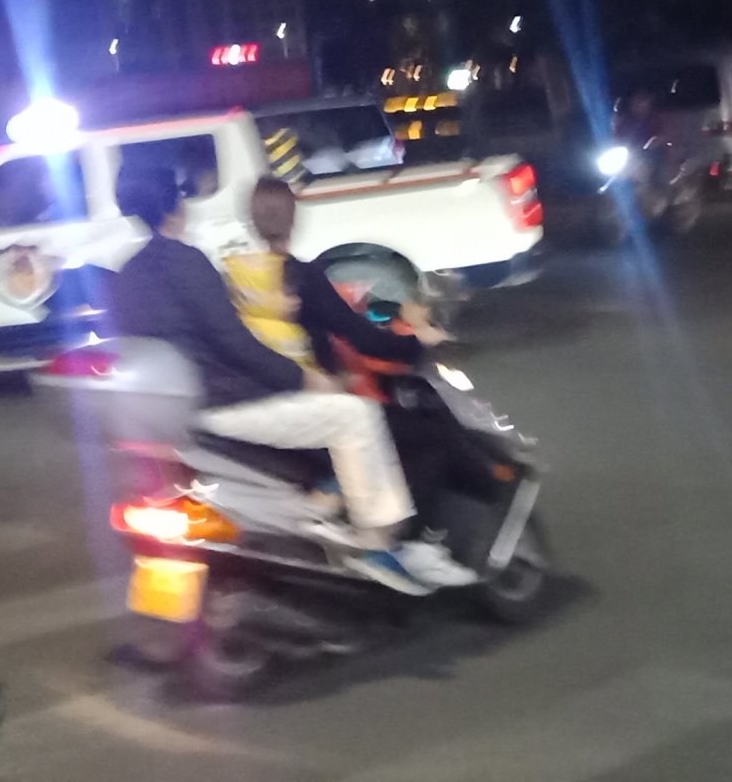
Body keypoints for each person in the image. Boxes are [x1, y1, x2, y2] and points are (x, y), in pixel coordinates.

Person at [106, 161, 474, 592]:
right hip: (223, 403)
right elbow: (234, 344)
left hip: (176, 415)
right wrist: (303, 379)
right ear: (175, 207)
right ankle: (377, 542)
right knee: (355, 416)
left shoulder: (129, 276)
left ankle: (327, 507)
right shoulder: (188, 262)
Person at [227, 177, 478, 505]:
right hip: (311, 402)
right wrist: (421, 340)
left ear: (252, 220)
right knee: (427, 438)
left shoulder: (235, 276)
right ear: (293, 217)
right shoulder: (301, 276)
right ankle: (408, 531)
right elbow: (364, 340)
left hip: (261, 399)